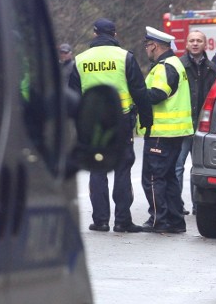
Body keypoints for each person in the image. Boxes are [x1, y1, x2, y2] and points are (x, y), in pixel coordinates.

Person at [69, 18, 152, 233]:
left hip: (92, 123)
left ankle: (101, 221)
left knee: (97, 169)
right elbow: (140, 93)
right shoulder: (125, 57)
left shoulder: (80, 60)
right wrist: (147, 120)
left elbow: (74, 96)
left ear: (95, 34)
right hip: (122, 120)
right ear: (115, 35)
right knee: (123, 168)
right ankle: (122, 220)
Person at [140, 26, 193, 233]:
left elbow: (158, 94)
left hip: (162, 132)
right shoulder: (176, 63)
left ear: (154, 45)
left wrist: (138, 95)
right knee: (168, 177)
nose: (146, 50)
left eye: (147, 46)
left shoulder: (164, 66)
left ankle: (157, 220)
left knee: (153, 178)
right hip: (174, 132)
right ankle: (175, 221)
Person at [175, 30, 216, 215]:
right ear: (186, 44)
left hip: (203, 127)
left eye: (198, 41)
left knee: (199, 168)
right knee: (178, 166)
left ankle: (197, 206)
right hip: (183, 125)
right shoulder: (178, 66)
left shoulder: (213, 69)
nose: (195, 43)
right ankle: (176, 205)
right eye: (192, 40)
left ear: (205, 44)